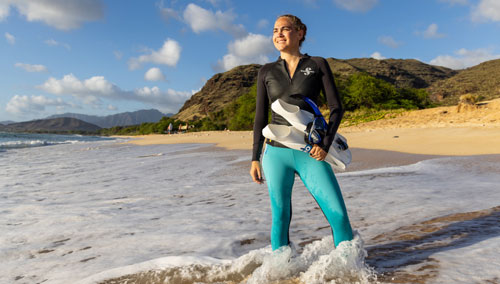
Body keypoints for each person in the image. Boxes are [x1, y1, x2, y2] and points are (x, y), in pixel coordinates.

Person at [250, 14, 353, 251]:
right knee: (280, 217)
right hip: (275, 153)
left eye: (285, 29)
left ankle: (350, 269)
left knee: (337, 213)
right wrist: (255, 157)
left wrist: (325, 145)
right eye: (275, 30)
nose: (278, 34)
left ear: (300, 32)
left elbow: (337, 108)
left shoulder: (317, 64)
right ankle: (281, 271)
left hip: (311, 150)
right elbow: (259, 118)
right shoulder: (266, 71)